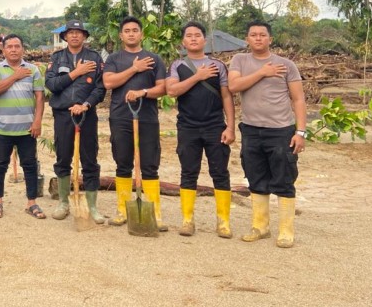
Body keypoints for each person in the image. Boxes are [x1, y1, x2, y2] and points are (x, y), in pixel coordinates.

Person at [228, 21, 307, 249]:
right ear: (247, 39)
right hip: (251, 129)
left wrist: (300, 132)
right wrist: (263, 72)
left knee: (284, 178)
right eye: (253, 35)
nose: (258, 38)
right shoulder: (240, 60)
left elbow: (298, 99)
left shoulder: (286, 65)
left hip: (281, 131)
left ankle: (286, 230)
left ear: (270, 39)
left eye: (262, 35)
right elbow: (234, 86)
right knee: (255, 177)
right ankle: (260, 226)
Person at [166, 21, 235, 238]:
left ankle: (223, 222)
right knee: (188, 172)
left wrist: (230, 127)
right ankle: (187, 220)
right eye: (189, 35)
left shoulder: (218, 66)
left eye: (198, 35)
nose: (194, 38)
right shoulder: (177, 65)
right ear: (183, 42)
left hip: (215, 126)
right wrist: (198, 76)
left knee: (220, 172)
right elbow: (172, 91)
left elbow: (226, 96)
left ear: (205, 40)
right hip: (188, 127)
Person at [102, 16, 168, 231]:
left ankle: (154, 212)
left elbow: (162, 88)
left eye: (135, 30)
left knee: (150, 164)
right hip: (120, 117)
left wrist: (143, 92)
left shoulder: (154, 59)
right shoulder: (114, 58)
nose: (131, 34)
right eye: (127, 31)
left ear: (142, 34)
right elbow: (108, 82)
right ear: (121, 36)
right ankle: (123, 210)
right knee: (123, 162)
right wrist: (134, 68)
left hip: (147, 118)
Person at [45, 20, 106, 223]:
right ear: (65, 36)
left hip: (86, 115)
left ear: (84, 36)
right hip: (63, 115)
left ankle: (92, 205)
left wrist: (86, 104)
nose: (74, 35)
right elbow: (52, 84)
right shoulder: (57, 58)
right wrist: (75, 73)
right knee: (63, 157)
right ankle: (63, 202)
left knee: (90, 159)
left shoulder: (94, 58)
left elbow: (100, 88)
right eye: (70, 32)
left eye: (79, 32)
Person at [0, 34, 46, 219]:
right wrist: (16, 76)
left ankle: (32, 203)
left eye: (17, 46)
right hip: (3, 128)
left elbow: (40, 97)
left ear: (23, 49)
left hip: (27, 129)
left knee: (30, 165)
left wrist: (37, 121)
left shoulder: (33, 70)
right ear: (3, 50)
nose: (13, 49)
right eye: (9, 46)